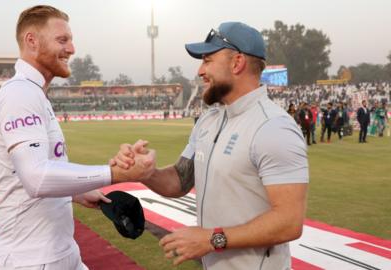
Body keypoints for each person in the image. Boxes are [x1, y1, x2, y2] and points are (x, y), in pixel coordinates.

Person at [113, 22, 308, 270]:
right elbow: (180, 180)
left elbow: (289, 222)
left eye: (207, 60)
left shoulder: (273, 127)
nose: (200, 71)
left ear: (237, 63)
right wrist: (146, 172)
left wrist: (211, 239)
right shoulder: (209, 118)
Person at [0, 5, 155, 270]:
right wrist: (116, 173)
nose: (72, 49)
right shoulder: (20, 95)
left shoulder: (34, 93)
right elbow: (36, 178)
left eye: (71, 40)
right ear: (32, 41)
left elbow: (31, 173)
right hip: (30, 259)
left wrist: (80, 192)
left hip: (59, 253)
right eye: (62, 40)